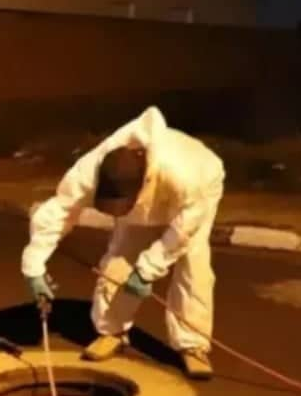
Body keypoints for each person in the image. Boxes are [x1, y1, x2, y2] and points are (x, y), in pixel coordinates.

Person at [21, 106, 225, 379]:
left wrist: (148, 269)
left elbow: (183, 230)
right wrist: (34, 266)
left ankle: (193, 344)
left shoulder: (184, 175)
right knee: (119, 259)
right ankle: (111, 330)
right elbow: (60, 209)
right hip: (147, 203)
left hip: (195, 197)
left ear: (142, 184)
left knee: (192, 266)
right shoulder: (92, 169)